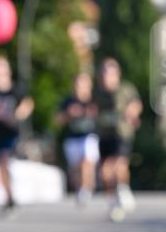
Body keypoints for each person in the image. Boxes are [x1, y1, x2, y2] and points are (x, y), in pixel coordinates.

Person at [0, 54, 34, 212]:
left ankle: (10, 195)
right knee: (1, 166)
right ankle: (9, 195)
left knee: (5, 159)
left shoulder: (15, 90)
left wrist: (17, 115)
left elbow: (27, 103)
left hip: (12, 134)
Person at [94, 58, 143, 220]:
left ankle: (123, 189)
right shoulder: (98, 92)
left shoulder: (125, 89)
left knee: (120, 165)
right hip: (105, 135)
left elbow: (136, 104)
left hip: (122, 133)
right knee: (105, 172)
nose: (107, 77)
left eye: (110, 73)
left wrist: (132, 112)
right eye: (104, 73)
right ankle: (112, 201)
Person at [56, 72, 99, 204]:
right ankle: (83, 188)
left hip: (89, 136)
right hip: (72, 138)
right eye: (78, 84)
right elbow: (57, 121)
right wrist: (68, 114)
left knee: (86, 162)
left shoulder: (95, 100)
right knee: (75, 169)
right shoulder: (68, 101)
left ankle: (86, 189)